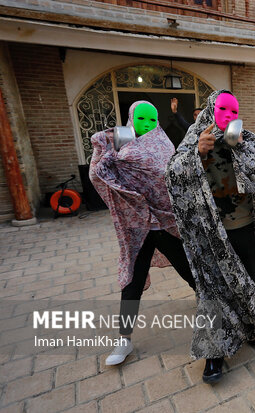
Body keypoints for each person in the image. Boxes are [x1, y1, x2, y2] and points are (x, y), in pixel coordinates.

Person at [166, 90, 255, 383]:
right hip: (211, 234)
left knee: (250, 280)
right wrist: (197, 155)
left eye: (234, 111)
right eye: (223, 110)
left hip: (245, 227)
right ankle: (214, 356)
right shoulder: (195, 139)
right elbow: (172, 177)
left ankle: (252, 326)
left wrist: (243, 149)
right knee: (213, 292)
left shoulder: (248, 139)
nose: (229, 117)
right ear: (210, 109)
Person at [89, 101, 197, 366]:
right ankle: (123, 340)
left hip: (164, 223)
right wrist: (107, 147)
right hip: (137, 226)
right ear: (130, 119)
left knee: (190, 270)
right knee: (132, 281)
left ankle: (217, 310)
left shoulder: (163, 144)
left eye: (152, 120)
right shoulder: (119, 143)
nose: (147, 125)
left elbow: (169, 178)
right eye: (142, 120)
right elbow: (98, 175)